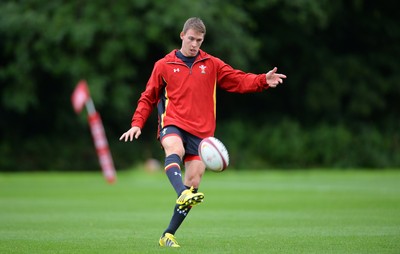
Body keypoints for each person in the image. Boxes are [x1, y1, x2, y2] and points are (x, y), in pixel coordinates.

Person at [119, 17, 286, 247]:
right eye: (191, 39)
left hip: (202, 134)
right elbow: (148, 96)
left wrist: (263, 81)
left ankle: (167, 234)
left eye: (199, 40)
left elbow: (238, 80)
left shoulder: (212, 63)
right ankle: (181, 192)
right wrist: (137, 123)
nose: (194, 44)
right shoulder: (164, 65)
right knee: (174, 149)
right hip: (173, 122)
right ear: (181, 35)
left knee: (194, 179)